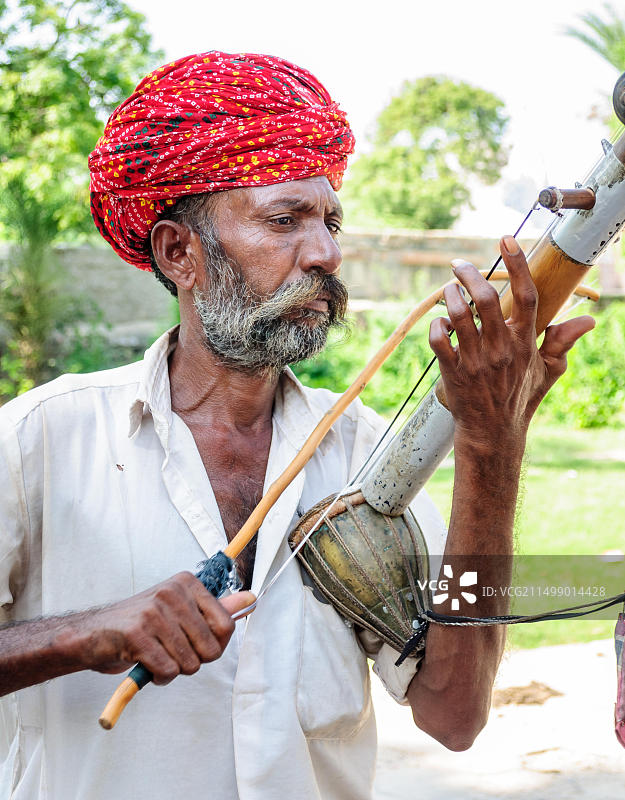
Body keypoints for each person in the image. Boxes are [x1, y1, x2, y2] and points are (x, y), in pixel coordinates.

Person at [0, 51, 593, 799]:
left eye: (329, 221)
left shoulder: (369, 456)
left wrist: (490, 448)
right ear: (180, 253)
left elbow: (456, 712)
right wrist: (77, 635)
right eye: (284, 220)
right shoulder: (41, 441)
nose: (325, 253)